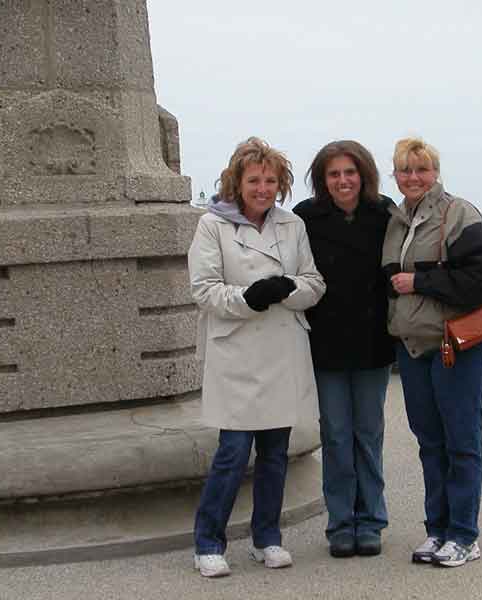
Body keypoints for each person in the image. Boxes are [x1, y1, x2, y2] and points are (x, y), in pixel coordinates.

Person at [187, 137, 325, 577]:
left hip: (281, 349)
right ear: (237, 182)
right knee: (232, 452)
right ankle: (208, 542)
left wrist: (287, 290)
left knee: (275, 452)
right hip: (237, 352)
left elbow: (314, 282)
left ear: (280, 184)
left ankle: (267, 537)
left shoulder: (292, 225)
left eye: (270, 181)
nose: (263, 189)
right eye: (254, 181)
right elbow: (204, 290)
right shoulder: (212, 225)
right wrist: (251, 297)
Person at [382, 137, 482, 568]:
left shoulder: (460, 214)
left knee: (461, 440)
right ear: (395, 175)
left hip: (458, 344)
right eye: (405, 170)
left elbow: (479, 281)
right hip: (414, 347)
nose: (413, 178)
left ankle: (464, 535)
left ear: (435, 173)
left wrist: (420, 281)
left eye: (422, 169)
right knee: (430, 441)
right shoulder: (396, 221)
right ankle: (438, 530)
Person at [293, 141, 395, 558]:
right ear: (323, 179)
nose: (342, 181)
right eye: (333, 174)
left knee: (368, 435)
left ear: (363, 174)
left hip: (373, 343)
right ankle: (340, 524)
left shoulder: (384, 213)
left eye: (349, 172)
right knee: (335, 436)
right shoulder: (305, 217)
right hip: (326, 345)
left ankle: (370, 521)